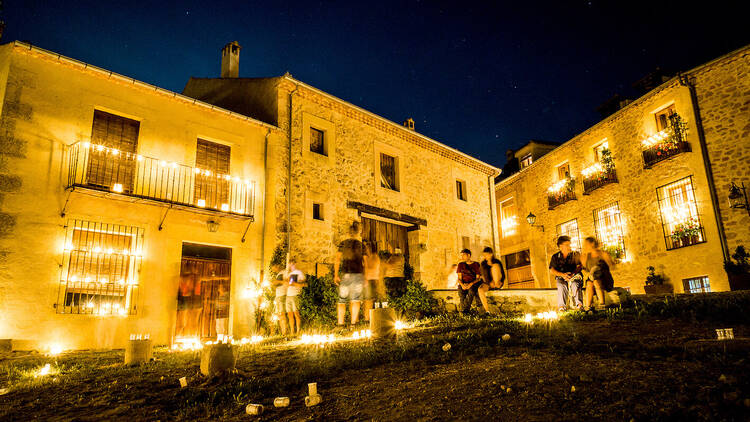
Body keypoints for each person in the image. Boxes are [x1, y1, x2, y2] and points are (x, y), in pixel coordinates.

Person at [334, 221, 365, 328]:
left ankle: (340, 324)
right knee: (355, 300)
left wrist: (335, 274)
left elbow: (337, 259)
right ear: (357, 233)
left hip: (346, 274)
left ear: (349, 232)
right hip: (358, 274)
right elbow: (365, 262)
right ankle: (353, 324)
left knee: (342, 300)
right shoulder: (361, 245)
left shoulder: (343, 243)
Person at [549, 236, 583, 311]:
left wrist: (573, 274)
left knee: (575, 284)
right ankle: (561, 307)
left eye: (570, 244)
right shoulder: (555, 257)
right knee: (561, 285)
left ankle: (580, 305)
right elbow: (552, 269)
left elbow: (580, 266)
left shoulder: (575, 254)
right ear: (561, 246)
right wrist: (562, 275)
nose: (569, 246)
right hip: (562, 276)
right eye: (567, 245)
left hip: (574, 275)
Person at [581, 237, 615, 311]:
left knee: (596, 281)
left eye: (586, 244)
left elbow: (612, 265)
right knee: (589, 283)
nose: (585, 246)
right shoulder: (587, 256)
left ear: (592, 243)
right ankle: (588, 307)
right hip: (592, 279)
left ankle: (602, 305)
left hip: (604, 279)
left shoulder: (602, 254)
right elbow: (586, 270)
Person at [478, 247, 505, 312]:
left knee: (495, 266)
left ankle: (496, 284)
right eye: (484, 255)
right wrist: (489, 283)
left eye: (486, 255)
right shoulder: (483, 264)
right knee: (480, 290)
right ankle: (487, 310)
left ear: (491, 254)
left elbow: (502, 274)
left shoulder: (497, 262)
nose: (485, 257)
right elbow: (483, 276)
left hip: (497, 282)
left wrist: (500, 281)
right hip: (488, 283)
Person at [284, 259, 307, 335]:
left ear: (295, 264)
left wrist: (294, 284)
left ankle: (298, 331)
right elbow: (287, 284)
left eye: (292, 264)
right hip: (288, 295)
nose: (291, 266)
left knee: (296, 313)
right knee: (290, 314)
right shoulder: (289, 274)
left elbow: (304, 283)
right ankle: (292, 332)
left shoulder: (299, 273)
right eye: (289, 264)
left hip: (295, 295)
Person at [456, 248, 482, 313]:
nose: (462, 257)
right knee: (461, 294)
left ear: (469, 255)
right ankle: (465, 311)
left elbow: (478, 278)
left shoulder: (476, 264)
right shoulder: (460, 265)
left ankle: (463, 310)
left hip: (473, 283)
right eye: (461, 255)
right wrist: (462, 285)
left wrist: (471, 284)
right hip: (463, 283)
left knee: (471, 291)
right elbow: (459, 278)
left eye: (463, 255)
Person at [362, 241, 383, 321]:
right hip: (367, 280)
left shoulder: (374, 257)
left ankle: (368, 319)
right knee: (366, 300)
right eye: (365, 247)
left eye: (368, 246)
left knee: (369, 300)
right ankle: (366, 318)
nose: (366, 249)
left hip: (371, 280)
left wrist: (365, 261)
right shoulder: (367, 257)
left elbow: (370, 268)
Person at [270, 263, 288, 335]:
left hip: (282, 295)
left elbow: (285, 282)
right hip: (278, 296)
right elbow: (276, 285)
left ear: (277, 266)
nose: (273, 270)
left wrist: (276, 282)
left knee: (282, 314)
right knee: (279, 315)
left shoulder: (284, 272)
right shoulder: (278, 274)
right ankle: (282, 332)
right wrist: (274, 284)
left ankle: (285, 332)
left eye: (274, 268)